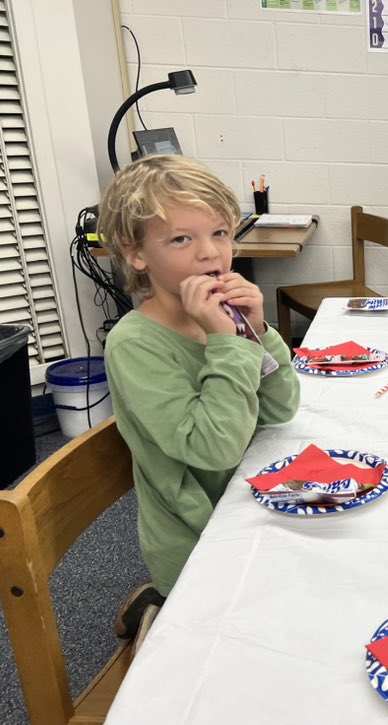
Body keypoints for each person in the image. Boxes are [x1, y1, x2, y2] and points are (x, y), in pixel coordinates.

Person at [100, 155, 300, 606]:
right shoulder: (134, 344)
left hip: (252, 503)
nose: (210, 252)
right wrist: (225, 342)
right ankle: (157, 610)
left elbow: (281, 407)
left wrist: (257, 331)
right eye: (181, 239)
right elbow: (215, 448)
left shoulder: (222, 314)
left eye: (220, 233)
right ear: (136, 254)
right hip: (200, 542)